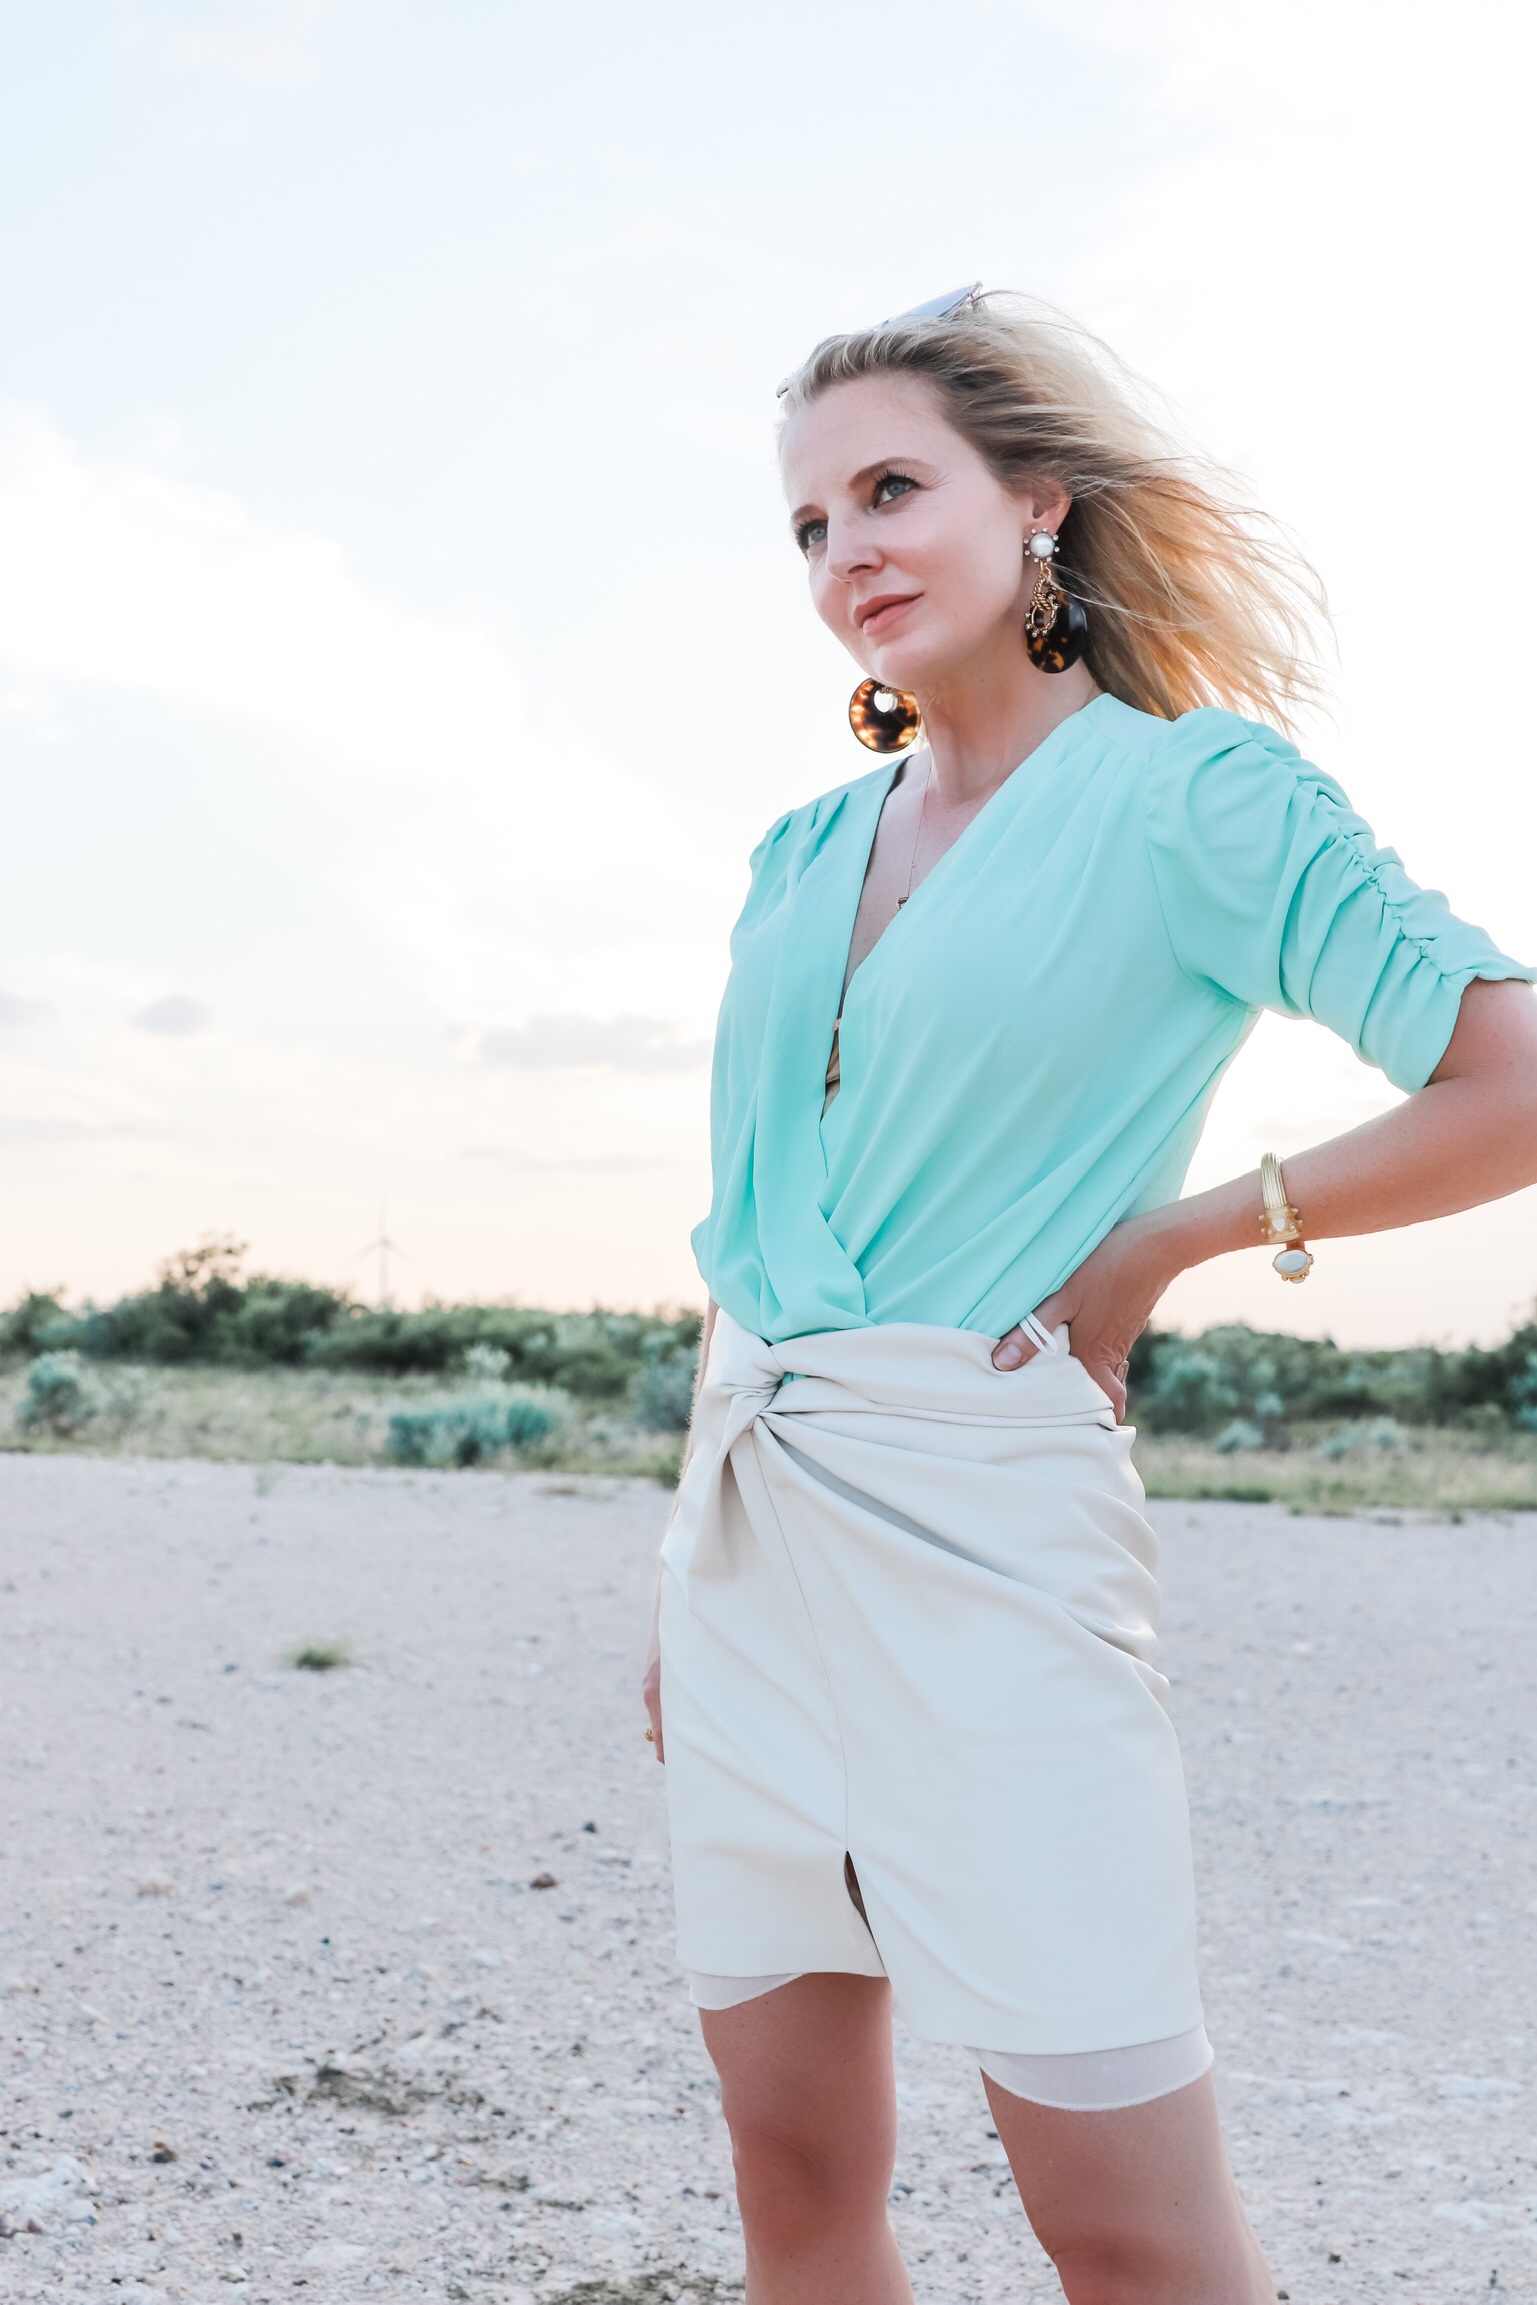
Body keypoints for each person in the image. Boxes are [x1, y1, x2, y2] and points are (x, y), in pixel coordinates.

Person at [641, 286, 1537, 2304]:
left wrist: (1176, 1238)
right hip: (749, 1535)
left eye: (889, 488)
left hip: (988, 1525)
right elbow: (743, 1237)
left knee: (1125, 2229)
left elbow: (1514, 1077)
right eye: (805, 523)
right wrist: (678, 1567)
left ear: (1033, 502)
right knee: (792, 2165)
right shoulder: (798, 850)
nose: (844, 548)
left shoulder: (1194, 802)